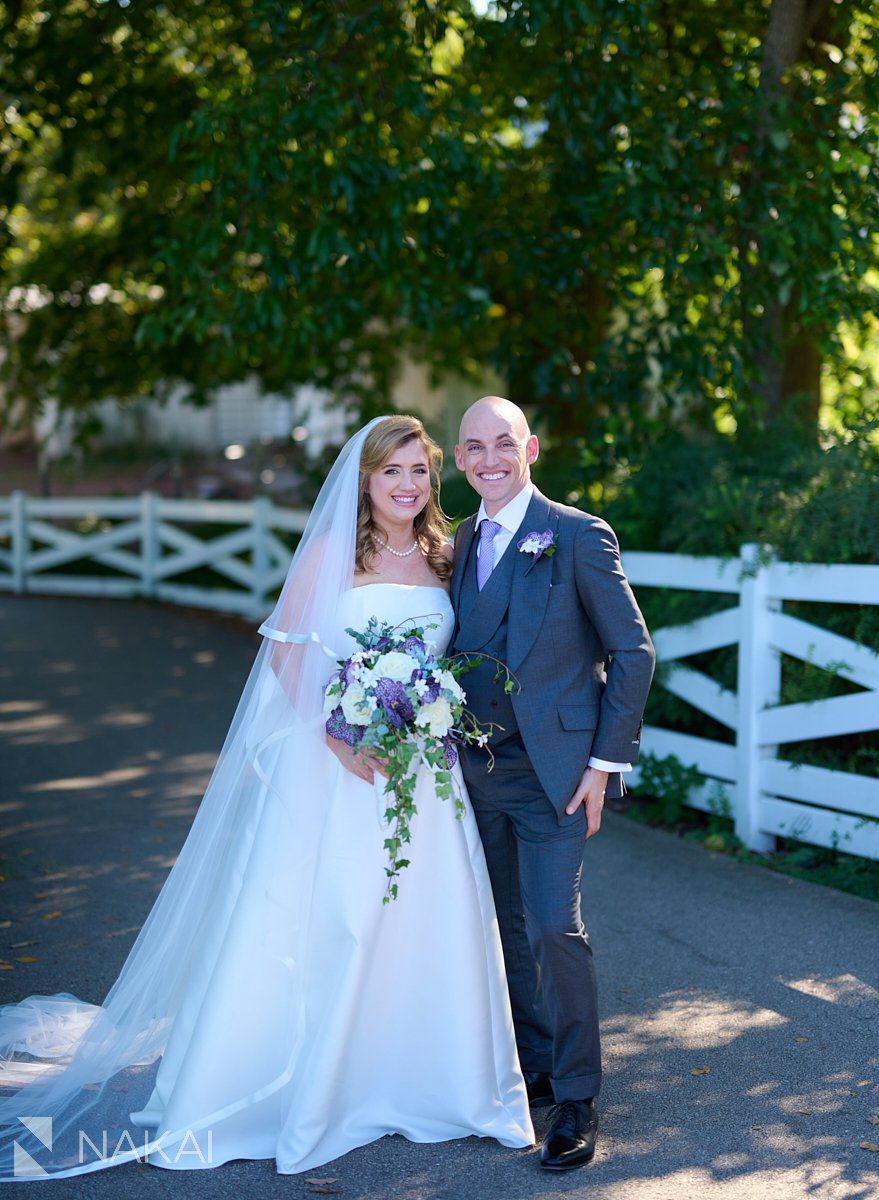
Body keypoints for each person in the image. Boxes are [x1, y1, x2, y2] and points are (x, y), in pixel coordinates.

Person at [0, 415, 534, 1182]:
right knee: (334, 917)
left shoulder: (442, 556)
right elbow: (287, 660)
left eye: (420, 471)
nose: (409, 486)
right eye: (393, 472)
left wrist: (424, 712)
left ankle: (422, 1077)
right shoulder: (328, 556)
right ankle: (299, 1086)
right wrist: (341, 734)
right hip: (336, 768)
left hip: (422, 775)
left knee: (422, 923)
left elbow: (453, 661)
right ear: (365, 481)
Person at [450, 396, 655, 1171]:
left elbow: (632, 653)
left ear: (529, 447)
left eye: (502, 444)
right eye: (473, 448)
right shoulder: (461, 539)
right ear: (460, 459)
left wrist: (605, 764)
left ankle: (576, 1094)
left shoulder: (574, 534)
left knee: (551, 928)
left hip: (556, 778)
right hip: (472, 773)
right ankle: (532, 1067)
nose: (489, 459)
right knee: (501, 928)